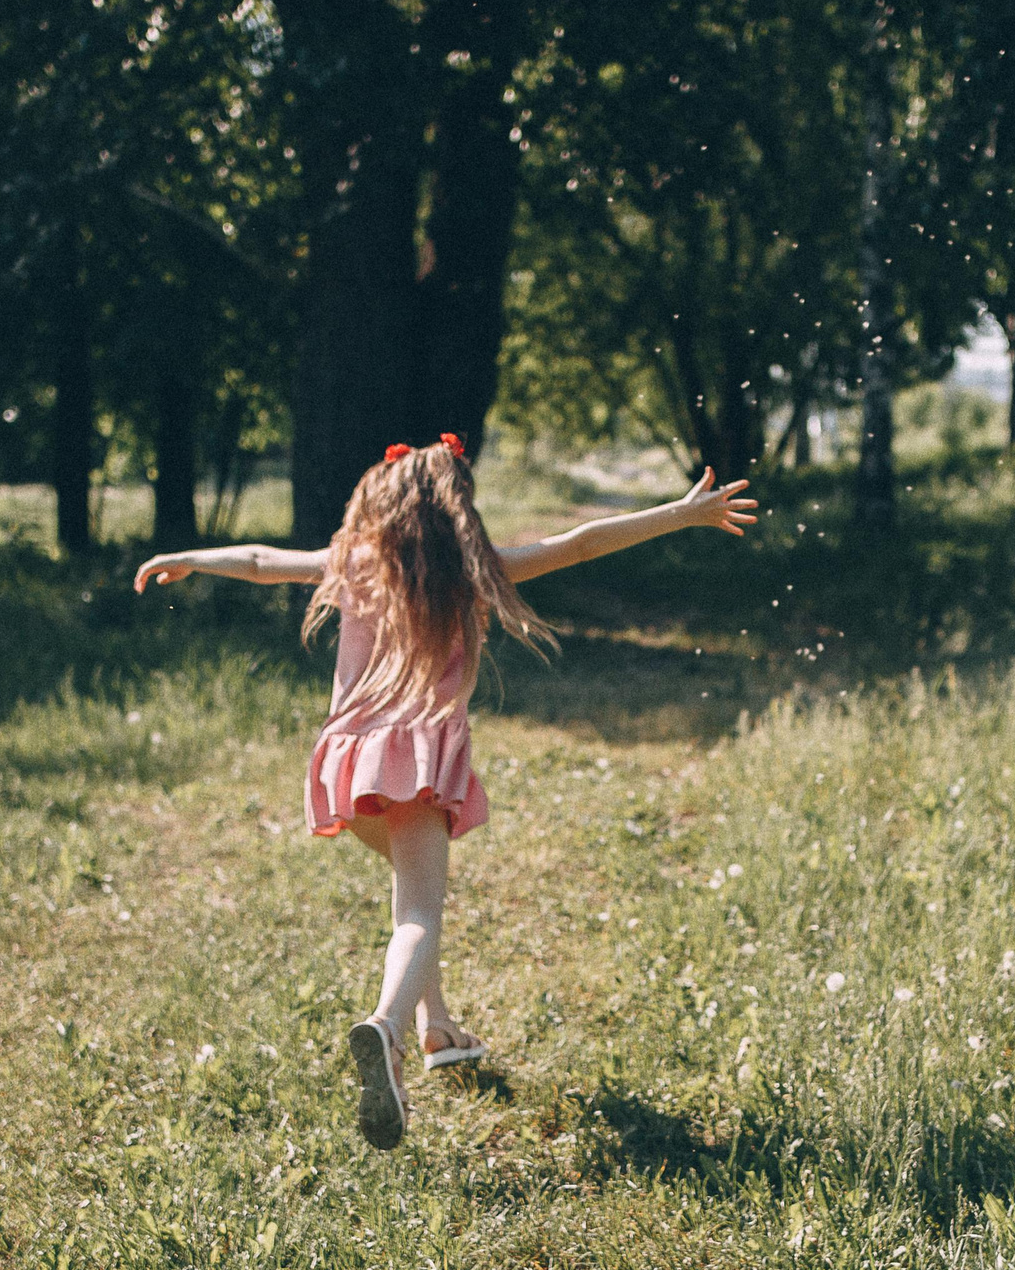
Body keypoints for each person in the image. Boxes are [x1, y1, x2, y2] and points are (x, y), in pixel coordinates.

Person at [133, 433, 756, 1149]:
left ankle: (437, 1026)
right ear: (456, 507)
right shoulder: (472, 569)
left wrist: (190, 557)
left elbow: (260, 561)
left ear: (380, 501)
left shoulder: (353, 560)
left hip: (347, 761)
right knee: (419, 911)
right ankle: (388, 1028)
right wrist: (680, 513)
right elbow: (582, 542)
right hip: (416, 763)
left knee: (409, 884)